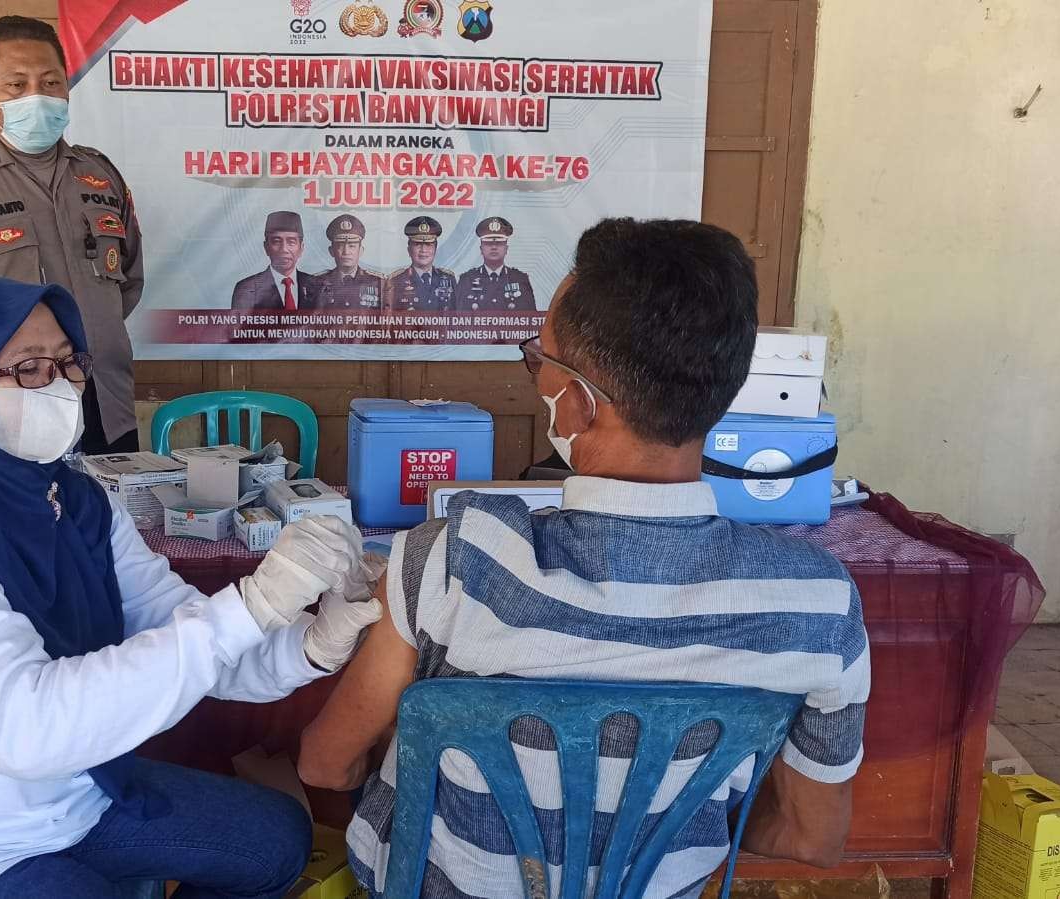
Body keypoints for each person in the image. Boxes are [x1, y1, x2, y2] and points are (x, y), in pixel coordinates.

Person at [297, 219, 869, 898]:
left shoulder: (454, 557)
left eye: (537, 361)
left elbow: (325, 762)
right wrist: (663, 836)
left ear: (578, 401)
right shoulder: (819, 603)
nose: (536, 378)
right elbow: (814, 837)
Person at [0, 277, 382, 899]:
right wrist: (251, 605)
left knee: (273, 841)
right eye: (26, 368)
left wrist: (311, 644)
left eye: (67, 361)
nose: (55, 385)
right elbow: (25, 731)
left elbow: (177, 627)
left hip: (70, 797)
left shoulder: (77, 502)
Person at [0, 15, 144, 455]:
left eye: (51, 81)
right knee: (31, 519)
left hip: (104, 399)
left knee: (109, 519)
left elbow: (127, 283)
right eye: (16, 85)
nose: (37, 95)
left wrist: (85, 337)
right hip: (14, 410)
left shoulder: (101, 176)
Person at [230, 211, 318, 311]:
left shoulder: (317, 286)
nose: (284, 249)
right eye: (276, 241)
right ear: (266, 247)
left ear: (301, 248)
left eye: (291, 242)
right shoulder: (247, 289)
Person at [454, 215, 536, 311]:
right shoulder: (466, 280)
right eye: (488, 243)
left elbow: (530, 320)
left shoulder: (520, 279)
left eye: (499, 243)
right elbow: (457, 320)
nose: (494, 247)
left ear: (506, 249)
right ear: (481, 249)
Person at [311, 214, 386, 313]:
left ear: (361, 251)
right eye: (340, 246)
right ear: (331, 251)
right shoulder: (317, 283)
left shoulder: (378, 282)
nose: (346, 252)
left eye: (352, 246)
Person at [385, 216, 456, 312]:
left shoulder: (448, 279)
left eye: (428, 244)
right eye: (417, 244)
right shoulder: (396, 281)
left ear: (435, 249)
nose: (423, 250)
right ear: (409, 250)